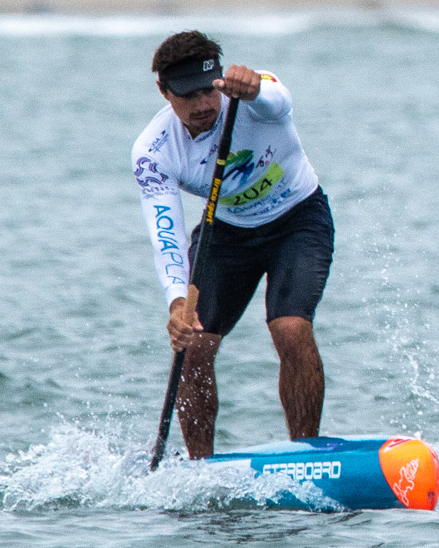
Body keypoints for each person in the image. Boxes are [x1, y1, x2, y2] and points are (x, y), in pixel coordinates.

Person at [133, 31, 336, 459]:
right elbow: (165, 232)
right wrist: (175, 302)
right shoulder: (154, 151)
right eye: (188, 95)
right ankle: (198, 467)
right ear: (163, 92)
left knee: (290, 328)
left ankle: (308, 455)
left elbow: (278, 97)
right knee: (193, 343)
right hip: (224, 235)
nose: (204, 103)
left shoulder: (255, 99)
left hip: (297, 221)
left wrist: (257, 87)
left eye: (210, 89)